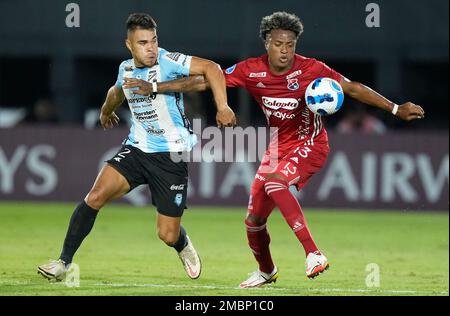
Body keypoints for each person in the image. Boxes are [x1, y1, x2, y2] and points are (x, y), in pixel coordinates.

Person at [122, 11, 425, 288]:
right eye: (279, 43)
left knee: (274, 182)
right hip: (278, 148)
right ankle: (266, 271)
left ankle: (313, 253)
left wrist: (395, 108)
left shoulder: (312, 70)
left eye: (290, 45)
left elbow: (353, 88)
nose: (284, 50)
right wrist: (156, 87)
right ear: (267, 42)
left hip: (311, 144)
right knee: (253, 220)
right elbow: (202, 82)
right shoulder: (250, 70)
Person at [37, 13, 236, 281]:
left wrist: (222, 106)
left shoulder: (167, 61)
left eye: (153, 41)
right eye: (143, 43)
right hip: (138, 148)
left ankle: (182, 244)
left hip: (170, 156)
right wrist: (106, 111)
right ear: (129, 45)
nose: (151, 48)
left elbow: (212, 68)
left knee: (167, 234)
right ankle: (62, 262)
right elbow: (116, 91)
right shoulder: (126, 69)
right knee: (95, 196)